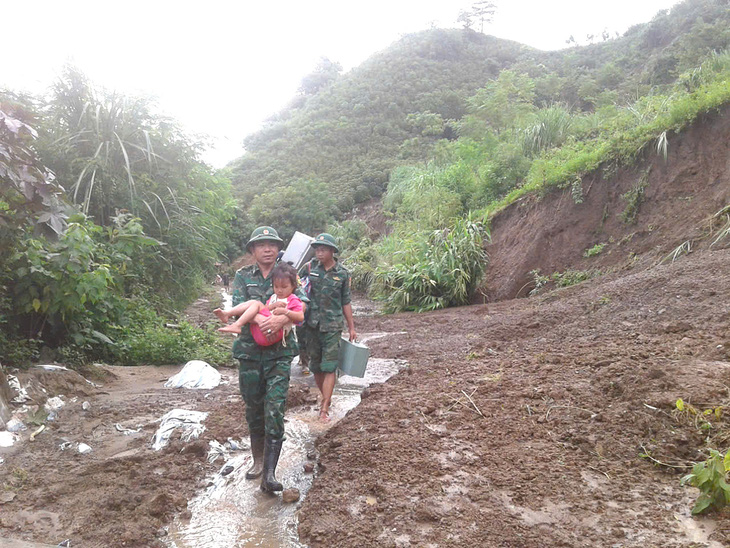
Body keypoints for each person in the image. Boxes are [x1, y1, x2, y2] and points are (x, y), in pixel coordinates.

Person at [227, 226, 307, 493]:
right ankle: (258, 460)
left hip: (279, 354)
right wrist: (266, 319)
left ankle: (269, 474)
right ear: (252, 250)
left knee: (275, 408)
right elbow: (239, 304)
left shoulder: (286, 273)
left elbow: (302, 303)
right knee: (254, 408)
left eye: (272, 244)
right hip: (249, 353)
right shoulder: (242, 276)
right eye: (261, 244)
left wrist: (282, 318)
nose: (267, 248)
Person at [299, 233, 356, 422]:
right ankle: (325, 397)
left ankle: (324, 406)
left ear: (332, 251)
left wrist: (351, 327)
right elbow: (294, 289)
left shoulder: (342, 273)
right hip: (311, 325)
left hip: (332, 325)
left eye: (323, 248)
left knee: (330, 366)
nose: (319, 252)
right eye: (317, 248)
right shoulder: (308, 268)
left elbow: (345, 301)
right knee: (316, 365)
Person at [215, 263, 304, 345]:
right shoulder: (274, 297)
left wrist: (285, 312)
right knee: (254, 304)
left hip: (276, 332)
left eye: (284, 287)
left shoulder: (293, 299)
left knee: (256, 304)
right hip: (262, 331)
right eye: (276, 287)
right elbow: (265, 309)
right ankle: (228, 315)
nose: (279, 290)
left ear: (293, 286)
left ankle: (236, 324)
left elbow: (300, 317)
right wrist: (272, 306)